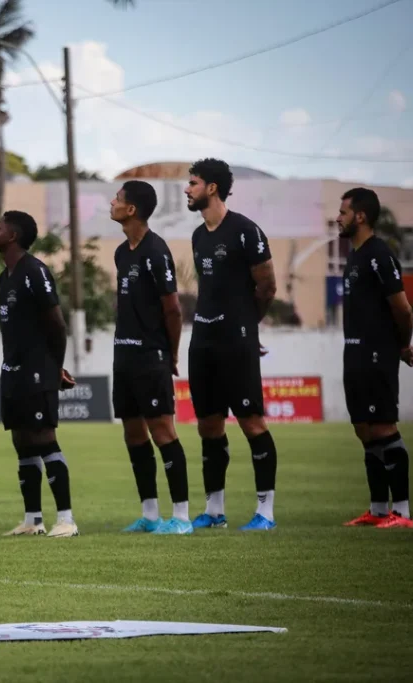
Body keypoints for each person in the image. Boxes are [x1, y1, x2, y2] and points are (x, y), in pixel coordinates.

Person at [183, 158, 279, 531]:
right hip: (202, 341)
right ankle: (214, 510)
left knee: (251, 423)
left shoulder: (245, 230)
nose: (187, 190)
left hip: (235, 341)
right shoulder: (198, 235)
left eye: (193, 183)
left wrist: (246, 328)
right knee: (209, 426)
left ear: (212, 188)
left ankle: (265, 512)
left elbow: (267, 287)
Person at [109, 181, 192, 535]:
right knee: (133, 433)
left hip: (150, 356)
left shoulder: (157, 251)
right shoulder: (121, 252)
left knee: (163, 431)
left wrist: (170, 354)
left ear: (131, 210)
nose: (112, 203)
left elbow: (172, 309)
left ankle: (183, 517)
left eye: (118, 199)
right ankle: (150, 515)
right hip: (123, 355)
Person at [0, 210, 79, 538]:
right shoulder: (4, 278)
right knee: (22, 441)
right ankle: (32, 520)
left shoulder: (34, 272)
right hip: (12, 370)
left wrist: (55, 367)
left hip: (38, 371)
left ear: (12, 236)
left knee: (44, 438)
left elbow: (56, 323)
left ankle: (67, 519)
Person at [337, 187, 413, 528]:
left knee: (384, 426)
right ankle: (378, 509)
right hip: (353, 353)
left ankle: (402, 512)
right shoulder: (354, 256)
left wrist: (402, 345)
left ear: (360, 216)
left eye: (342, 212)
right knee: (364, 429)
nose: (337, 217)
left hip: (376, 354)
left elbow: (403, 309)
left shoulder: (378, 254)